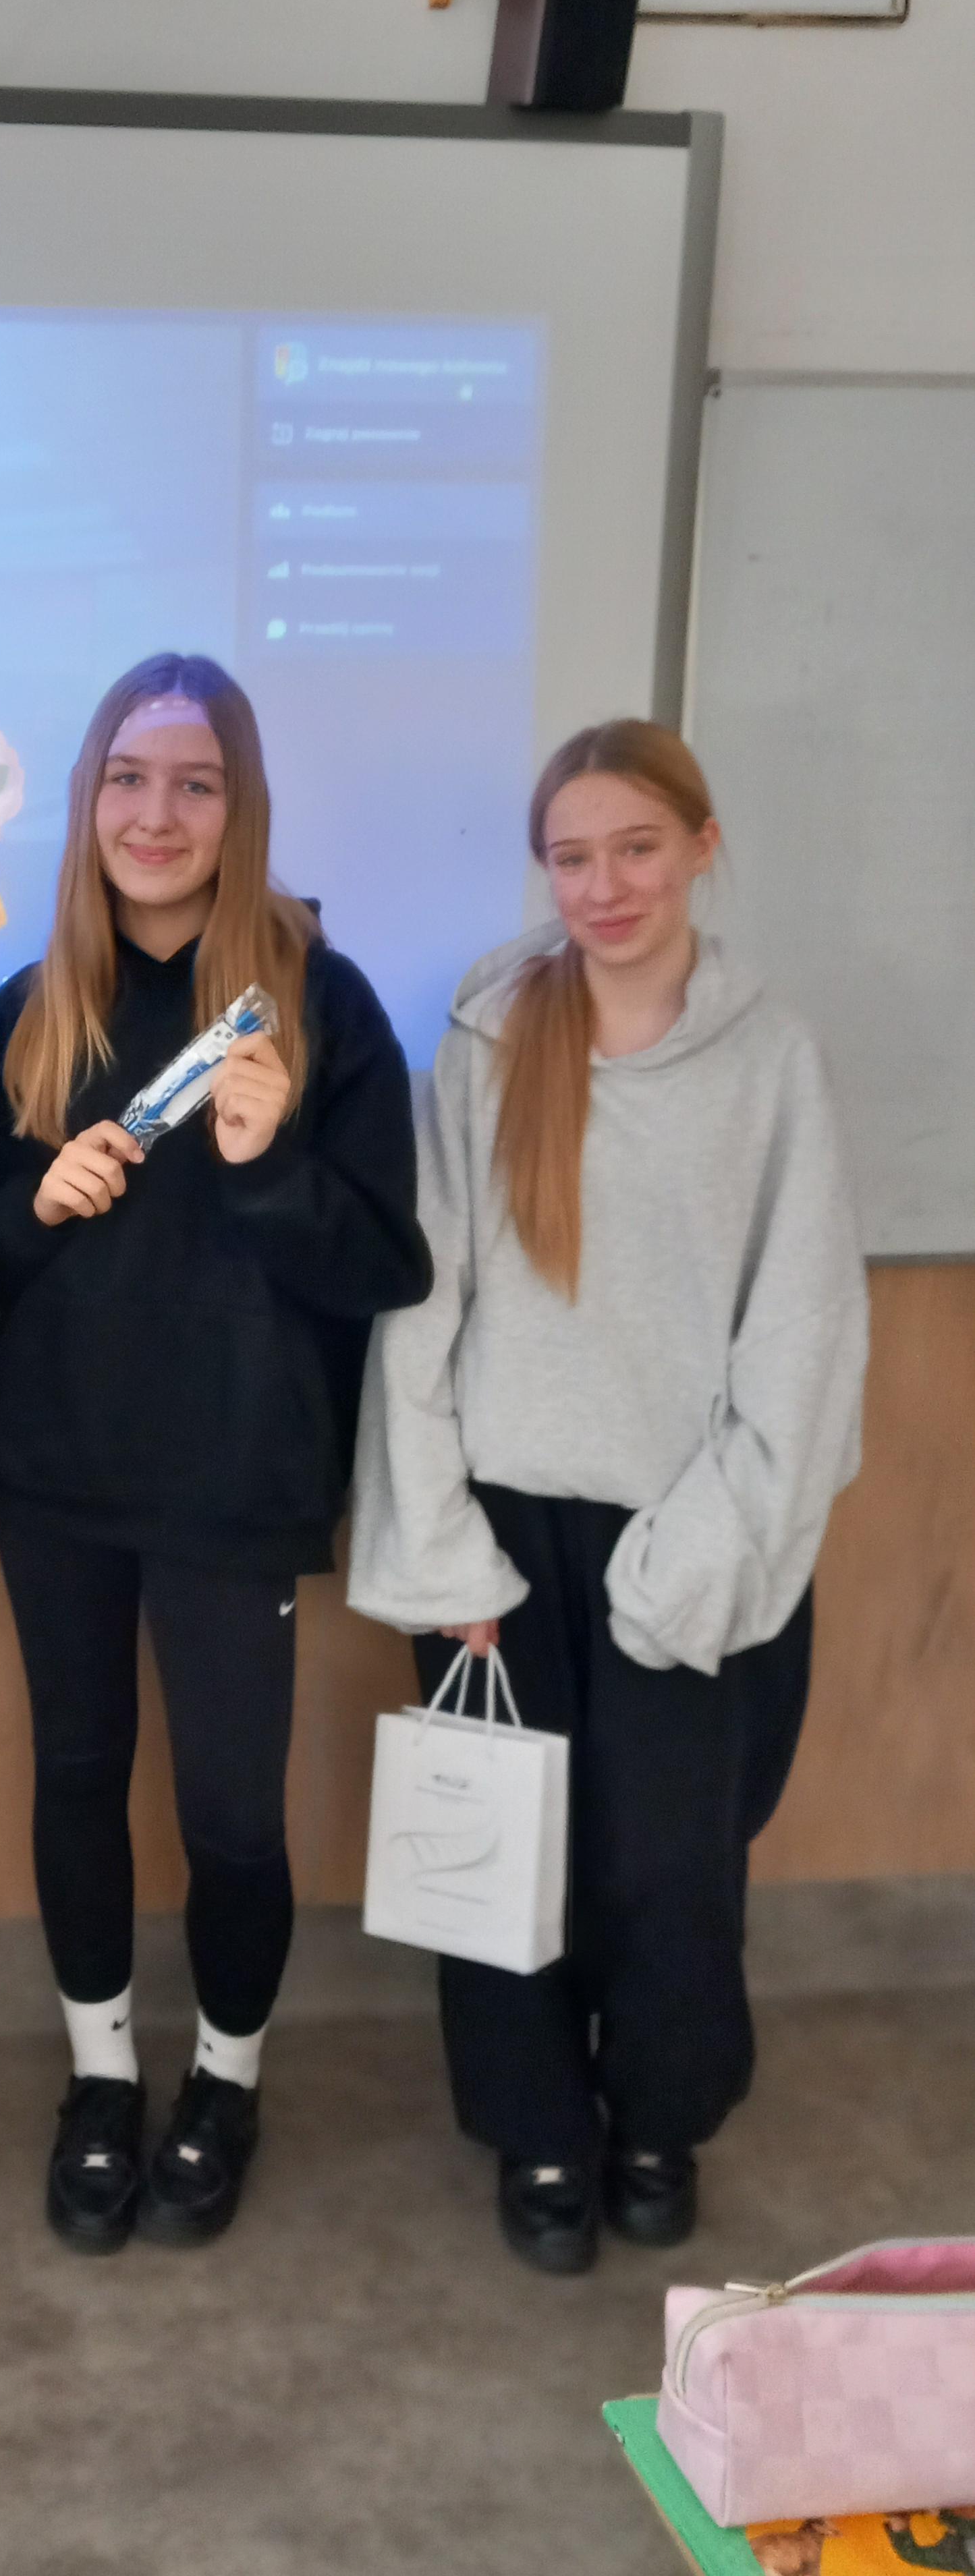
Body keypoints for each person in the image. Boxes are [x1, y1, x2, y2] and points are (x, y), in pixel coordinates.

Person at [348, 719, 868, 2275]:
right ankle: (539, 2132)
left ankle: (657, 2119)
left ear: (701, 846)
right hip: (503, 1538)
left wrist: (707, 1546)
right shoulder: (492, 1037)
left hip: (693, 1528)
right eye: (571, 858)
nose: (604, 886)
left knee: (666, 1868)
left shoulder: (771, 1061)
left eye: (636, 848)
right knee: (504, 1860)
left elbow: (806, 1335)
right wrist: (443, 1549)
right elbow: (423, 1303)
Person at [0, 653, 431, 2252]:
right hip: (59, 1472)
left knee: (231, 1813)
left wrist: (265, 1161)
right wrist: (36, 1206)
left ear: (242, 807)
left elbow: (385, 1265)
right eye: (129, 779)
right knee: (77, 1777)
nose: (158, 814)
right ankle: (101, 2077)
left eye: (196, 783)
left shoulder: (318, 1005)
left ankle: (227, 2079)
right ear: (89, 800)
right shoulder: (32, 1009)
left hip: (236, 1478)